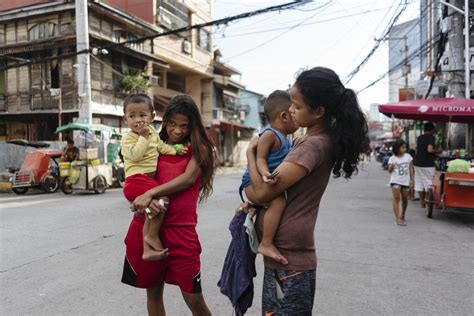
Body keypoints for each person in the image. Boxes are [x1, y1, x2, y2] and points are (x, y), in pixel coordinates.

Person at [242, 67, 369, 314]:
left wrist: (250, 154)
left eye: (297, 107)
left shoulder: (311, 146)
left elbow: (262, 193)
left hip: (288, 257)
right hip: (291, 254)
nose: (291, 110)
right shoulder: (314, 141)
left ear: (319, 111)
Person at [121, 94, 216, 316]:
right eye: (172, 124)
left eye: (184, 125)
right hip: (145, 227)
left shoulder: (200, 148)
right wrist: (143, 202)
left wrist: (151, 193)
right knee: (153, 294)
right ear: (164, 121)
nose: (177, 130)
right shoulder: (152, 143)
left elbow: (189, 179)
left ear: (193, 125)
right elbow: (133, 178)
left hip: (181, 233)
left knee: (194, 299)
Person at [121, 93, 187, 262]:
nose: (138, 120)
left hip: (146, 182)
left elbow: (161, 148)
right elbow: (135, 156)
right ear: (125, 119)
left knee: (153, 209)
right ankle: (151, 236)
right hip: (136, 180)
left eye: (142, 115)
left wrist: (176, 150)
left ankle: (148, 248)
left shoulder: (152, 133)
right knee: (162, 199)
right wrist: (142, 138)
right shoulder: (128, 138)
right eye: (132, 116)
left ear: (152, 116)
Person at [240, 90, 298, 265]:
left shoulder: (287, 138)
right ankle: (266, 243)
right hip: (252, 181)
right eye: (294, 111)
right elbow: (260, 158)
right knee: (278, 201)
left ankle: (252, 206)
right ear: (284, 116)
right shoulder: (269, 135)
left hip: (263, 181)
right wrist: (265, 173)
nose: (297, 115)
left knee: (278, 200)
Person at [387, 139, 414, 226]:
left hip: (405, 181)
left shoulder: (408, 157)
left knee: (405, 199)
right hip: (395, 181)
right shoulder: (392, 158)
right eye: (403, 147)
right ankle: (397, 218)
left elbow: (411, 168)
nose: (404, 149)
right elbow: (389, 171)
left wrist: (412, 180)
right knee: (396, 198)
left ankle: (402, 215)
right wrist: (392, 167)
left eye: (405, 147)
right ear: (397, 148)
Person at [414, 122, 440, 208]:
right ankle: (430, 202)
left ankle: (422, 202)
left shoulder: (419, 138)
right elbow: (429, 150)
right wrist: (438, 151)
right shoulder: (431, 138)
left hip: (417, 163)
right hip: (427, 164)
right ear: (432, 129)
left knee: (419, 182)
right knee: (430, 183)